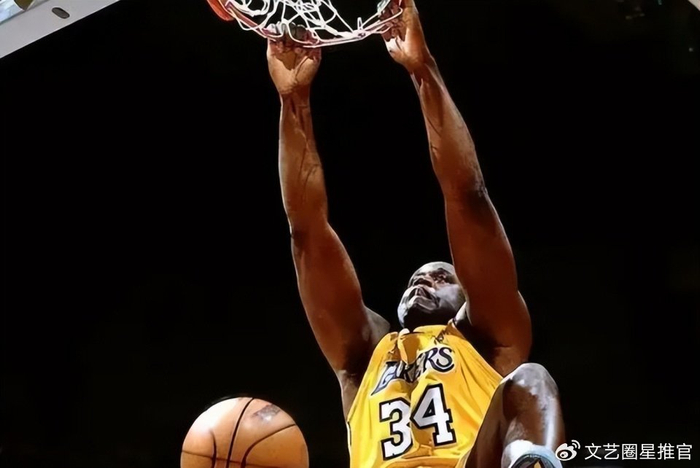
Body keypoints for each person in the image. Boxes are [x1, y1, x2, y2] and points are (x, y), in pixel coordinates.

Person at [266, 0, 565, 466]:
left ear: (468, 297)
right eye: (416, 279)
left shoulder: (489, 340)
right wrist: (293, 101)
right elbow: (307, 232)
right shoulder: (362, 358)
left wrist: (423, 71)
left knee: (530, 382)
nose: (423, 281)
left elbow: (468, 196)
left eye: (442, 277)